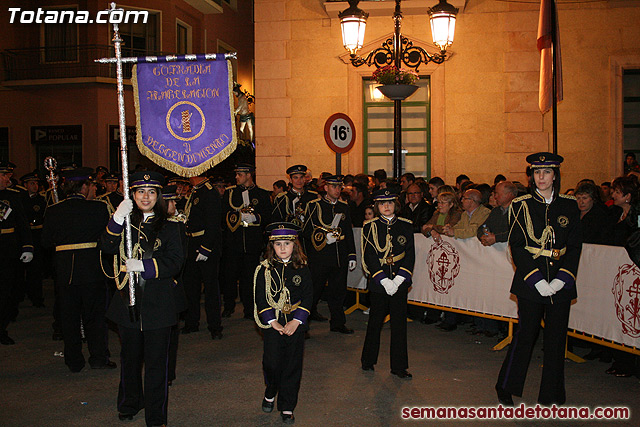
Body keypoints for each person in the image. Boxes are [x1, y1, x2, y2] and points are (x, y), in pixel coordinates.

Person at [496, 152, 582, 406]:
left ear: (555, 175)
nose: (541, 177)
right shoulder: (521, 205)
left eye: (546, 172)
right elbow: (517, 246)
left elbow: (575, 246)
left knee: (556, 339)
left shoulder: (569, 205)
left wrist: (561, 279)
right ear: (531, 176)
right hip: (530, 282)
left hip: (560, 282)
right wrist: (537, 280)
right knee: (526, 334)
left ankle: (552, 396)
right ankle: (507, 385)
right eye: (536, 172)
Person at [100, 171, 184, 426]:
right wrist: (116, 218)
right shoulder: (123, 224)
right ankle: (129, 403)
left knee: (157, 365)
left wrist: (145, 267)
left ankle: (156, 416)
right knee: (130, 360)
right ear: (132, 195)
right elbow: (104, 246)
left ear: (158, 196)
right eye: (140, 192)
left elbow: (175, 262)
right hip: (128, 302)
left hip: (158, 304)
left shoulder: (171, 227)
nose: (145, 197)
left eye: (151, 192)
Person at [41, 167, 113, 370]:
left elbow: (46, 242)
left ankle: (73, 361)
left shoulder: (54, 210)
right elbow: (107, 239)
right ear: (83, 187)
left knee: (69, 317)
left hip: (65, 271)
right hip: (92, 269)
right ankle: (98, 358)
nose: (93, 189)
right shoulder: (98, 208)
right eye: (91, 185)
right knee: (95, 317)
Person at [254, 222, 313, 425]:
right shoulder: (265, 269)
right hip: (274, 324)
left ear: (294, 245)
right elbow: (260, 298)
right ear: (272, 246)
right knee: (271, 363)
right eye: (278, 244)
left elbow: (308, 296)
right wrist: (272, 322)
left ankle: (287, 406)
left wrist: (297, 321)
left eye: (287, 244)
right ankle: (271, 390)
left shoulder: (302, 268)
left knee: (292, 365)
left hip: (295, 323)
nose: (282, 248)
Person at [360, 189, 415, 379]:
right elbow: (369, 256)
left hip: (399, 282)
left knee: (399, 324)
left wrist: (399, 280)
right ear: (377, 206)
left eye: (390, 203)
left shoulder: (406, 226)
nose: (386, 206)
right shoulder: (370, 226)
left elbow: (410, 255)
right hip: (379, 282)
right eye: (382, 204)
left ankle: (399, 366)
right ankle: (368, 360)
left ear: (396, 205)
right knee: (375, 322)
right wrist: (383, 280)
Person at [302, 175, 356, 333]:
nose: (338, 190)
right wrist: (324, 238)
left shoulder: (344, 206)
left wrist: (351, 254)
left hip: (339, 258)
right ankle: (302, 325)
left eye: (339, 187)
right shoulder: (314, 205)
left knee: (338, 293)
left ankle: (338, 323)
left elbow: (348, 232)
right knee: (313, 292)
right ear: (326, 188)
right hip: (320, 258)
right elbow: (306, 230)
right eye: (334, 187)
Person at [221, 163, 272, 319]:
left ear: (249, 175)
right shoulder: (230, 194)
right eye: (236, 174)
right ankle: (228, 306)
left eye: (240, 174)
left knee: (250, 278)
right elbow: (223, 215)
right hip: (233, 243)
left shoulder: (262, 194)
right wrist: (237, 217)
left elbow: (269, 217)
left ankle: (249, 309)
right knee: (229, 277)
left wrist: (256, 217)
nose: (236, 177)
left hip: (252, 243)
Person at [182, 174, 223, 339]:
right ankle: (192, 322)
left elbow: (213, 223)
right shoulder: (195, 191)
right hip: (192, 243)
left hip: (205, 245)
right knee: (191, 287)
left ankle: (215, 327)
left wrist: (205, 248)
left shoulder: (209, 192)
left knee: (210, 288)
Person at [0, 161, 33, 345]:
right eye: (4, 175)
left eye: (8, 175)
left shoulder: (13, 196)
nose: (8, 179)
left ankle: (2, 328)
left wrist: (27, 246)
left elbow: (22, 223)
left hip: (7, 249)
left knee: (6, 291)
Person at [162, 185, 188, 387]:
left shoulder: (177, 225)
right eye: (170, 202)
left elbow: (180, 258)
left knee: (171, 334)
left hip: (172, 282)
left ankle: (168, 372)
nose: (174, 205)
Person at [20, 171, 46, 308]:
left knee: (36, 268)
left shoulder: (41, 200)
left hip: (37, 235)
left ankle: (37, 297)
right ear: (25, 185)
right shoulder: (21, 199)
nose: (35, 186)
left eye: (36, 183)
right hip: (25, 236)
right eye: (32, 183)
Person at [272, 165, 318, 229]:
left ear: (304, 179)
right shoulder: (282, 198)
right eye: (295, 178)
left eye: (301, 177)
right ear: (290, 180)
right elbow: (276, 220)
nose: (299, 181)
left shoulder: (313, 197)